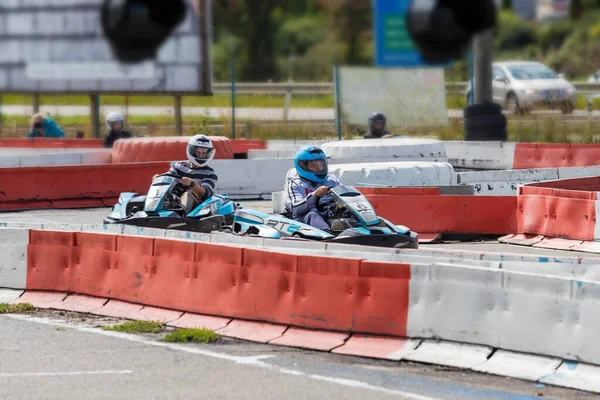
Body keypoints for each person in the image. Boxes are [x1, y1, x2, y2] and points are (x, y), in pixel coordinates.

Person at [152, 134, 218, 215]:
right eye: (198, 152)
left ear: (208, 153)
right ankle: (151, 213)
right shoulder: (179, 166)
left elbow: (204, 195)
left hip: (197, 209)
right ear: (192, 151)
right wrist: (158, 178)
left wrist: (192, 184)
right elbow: (167, 178)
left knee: (187, 195)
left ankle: (180, 217)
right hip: (175, 201)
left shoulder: (210, 173)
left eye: (203, 153)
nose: (200, 156)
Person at [284, 146, 341, 232]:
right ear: (302, 166)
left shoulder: (332, 180)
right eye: (313, 165)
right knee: (313, 215)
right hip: (306, 220)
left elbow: (344, 195)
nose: (318, 168)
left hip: (330, 215)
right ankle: (328, 234)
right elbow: (296, 209)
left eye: (321, 165)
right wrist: (315, 195)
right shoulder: (295, 184)